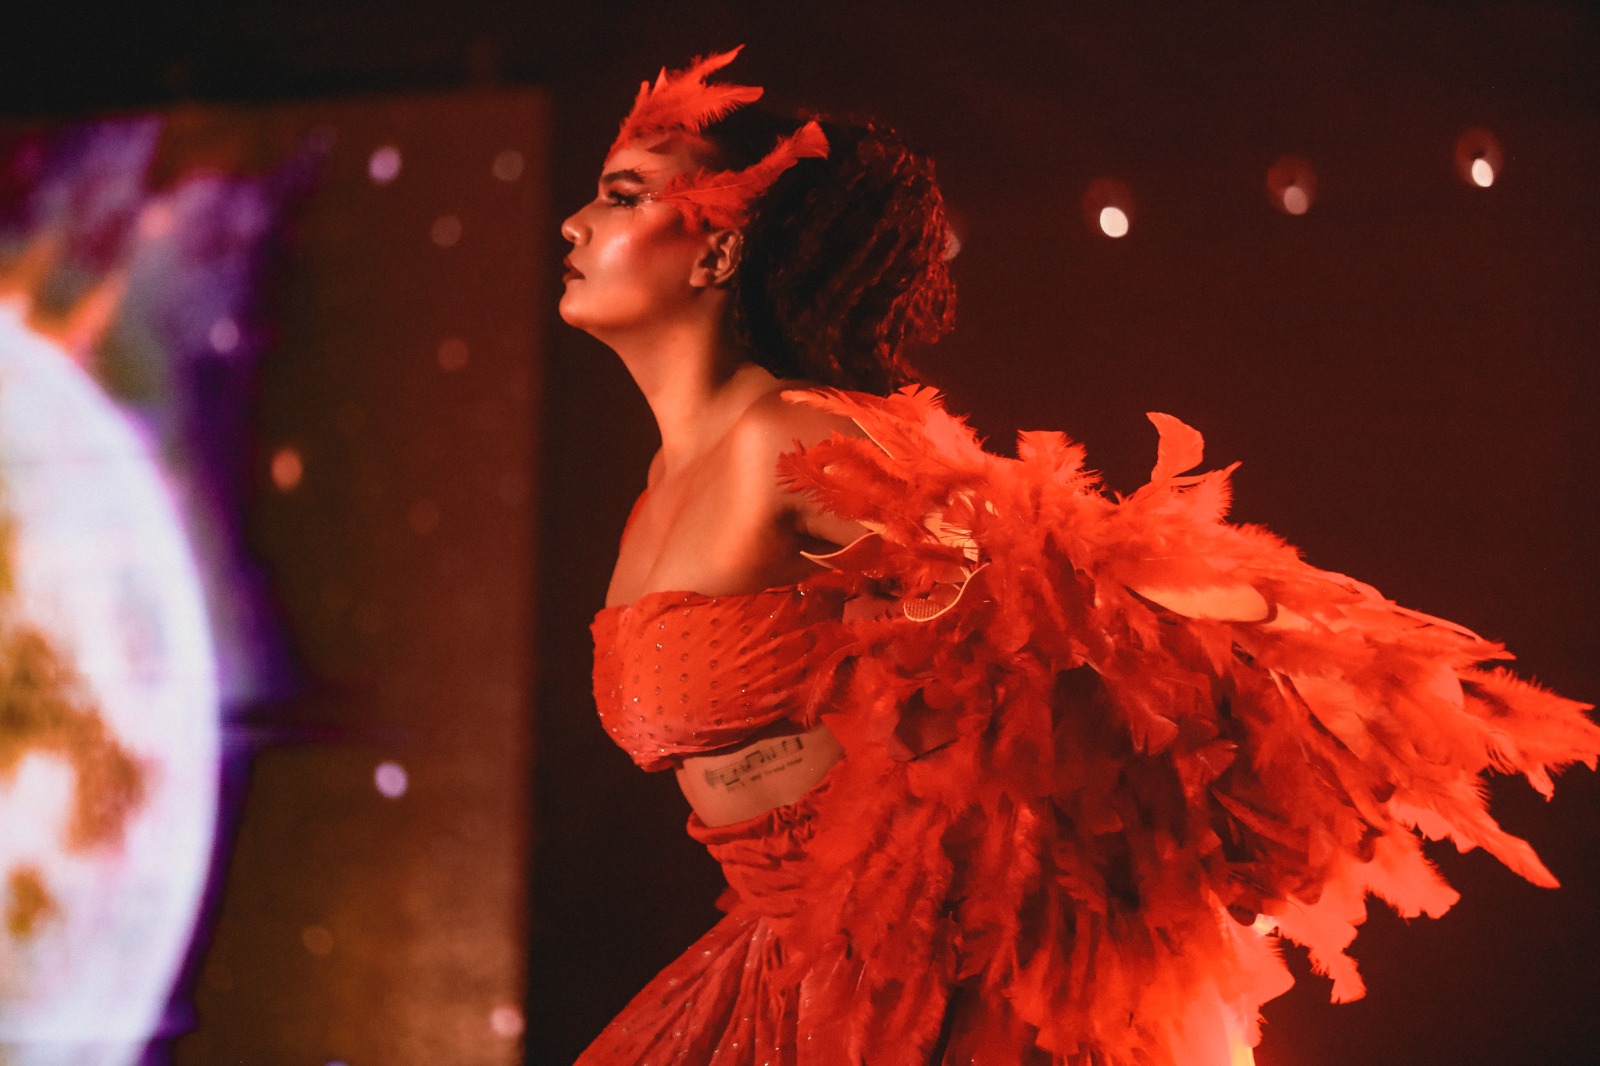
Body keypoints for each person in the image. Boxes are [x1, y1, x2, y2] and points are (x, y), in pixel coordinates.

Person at [559, 49, 1598, 1066]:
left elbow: (1059, 584)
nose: (574, 222)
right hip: (778, 954)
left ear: (720, 249)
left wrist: (1315, 651)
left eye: (621, 196)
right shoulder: (659, 486)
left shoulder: (792, 437)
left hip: (920, 973)